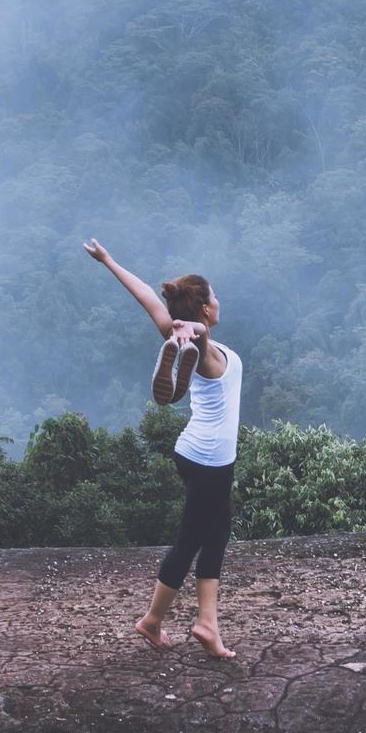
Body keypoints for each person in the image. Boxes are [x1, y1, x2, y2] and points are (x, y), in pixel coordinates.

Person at [83, 237, 242, 659]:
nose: (219, 301)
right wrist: (196, 333)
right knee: (193, 540)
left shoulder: (185, 336)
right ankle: (153, 621)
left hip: (194, 452)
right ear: (206, 307)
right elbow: (200, 334)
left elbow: (148, 298)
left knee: (216, 532)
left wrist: (109, 260)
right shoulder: (209, 356)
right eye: (215, 298)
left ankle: (206, 624)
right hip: (210, 458)